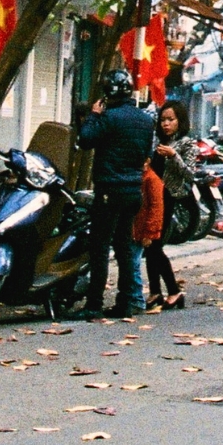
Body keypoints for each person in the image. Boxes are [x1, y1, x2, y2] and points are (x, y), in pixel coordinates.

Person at [73, 69, 155, 319]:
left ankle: (94, 304)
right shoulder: (145, 120)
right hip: (132, 191)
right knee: (124, 247)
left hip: (109, 189)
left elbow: (85, 140)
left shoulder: (108, 117)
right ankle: (126, 301)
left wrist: (93, 117)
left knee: (100, 248)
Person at [146, 101, 197, 309]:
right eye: (163, 120)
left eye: (171, 120)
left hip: (168, 196)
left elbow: (190, 173)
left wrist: (173, 155)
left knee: (156, 245)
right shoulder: (157, 141)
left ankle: (174, 290)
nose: (166, 124)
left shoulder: (186, 144)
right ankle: (155, 291)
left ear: (180, 121)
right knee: (148, 244)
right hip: (151, 194)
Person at [131, 157, 163, 311]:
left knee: (133, 264)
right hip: (135, 228)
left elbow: (157, 208)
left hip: (141, 229)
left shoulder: (151, 179)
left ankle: (137, 299)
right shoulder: (140, 178)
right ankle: (134, 298)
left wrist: (150, 232)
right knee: (132, 263)